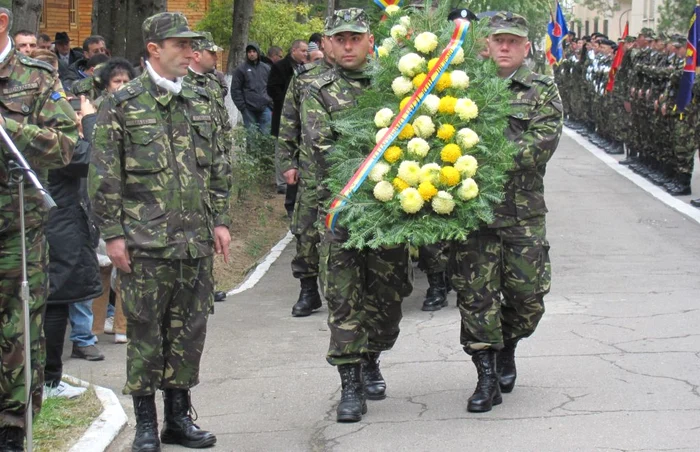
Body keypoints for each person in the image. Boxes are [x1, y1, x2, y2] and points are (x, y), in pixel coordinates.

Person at [90, 12, 231, 451]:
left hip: (195, 241)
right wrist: (112, 234)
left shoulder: (202, 99)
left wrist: (221, 219)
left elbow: (220, 165)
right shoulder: (124, 101)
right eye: (181, 45)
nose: (192, 52)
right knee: (146, 332)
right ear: (154, 49)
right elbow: (104, 174)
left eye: (193, 45)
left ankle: (178, 418)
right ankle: (146, 423)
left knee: (189, 332)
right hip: (145, 242)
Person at [301, 8, 413, 423]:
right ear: (328, 43)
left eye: (355, 38)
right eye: (339, 38)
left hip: (389, 212)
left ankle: (372, 357)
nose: (347, 45)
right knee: (344, 300)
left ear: (370, 41)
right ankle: (350, 382)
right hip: (339, 211)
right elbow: (322, 145)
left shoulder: (396, 83)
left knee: (389, 300)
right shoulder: (317, 87)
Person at [449, 12, 562, 414]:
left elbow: (539, 144)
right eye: (499, 40)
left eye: (513, 41)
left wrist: (475, 160)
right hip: (472, 216)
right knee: (475, 297)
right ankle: (486, 375)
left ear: (526, 48)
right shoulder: (463, 86)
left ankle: (508, 345)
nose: (505, 47)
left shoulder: (542, 89)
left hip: (522, 213)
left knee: (527, 297)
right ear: (486, 44)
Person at [0, 4, 78, 449]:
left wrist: (10, 129)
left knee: (17, 331)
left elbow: (67, 146)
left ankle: (12, 429)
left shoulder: (37, 77)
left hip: (16, 231)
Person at [278, 30, 335, 318]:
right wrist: (287, 162)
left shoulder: (369, 77)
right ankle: (308, 290)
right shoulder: (304, 78)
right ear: (324, 42)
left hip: (355, 174)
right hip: (312, 171)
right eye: (335, 38)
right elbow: (288, 121)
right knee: (306, 231)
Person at [184, 32, 233, 303]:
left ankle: (208, 283)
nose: (216, 57)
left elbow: (221, 124)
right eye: (212, 53)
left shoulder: (213, 83)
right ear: (197, 54)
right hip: (196, 167)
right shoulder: (184, 85)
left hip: (217, 161)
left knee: (215, 222)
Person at [268, 39, 308, 198]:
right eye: (303, 51)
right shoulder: (280, 67)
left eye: (306, 51)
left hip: (301, 115)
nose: (306, 54)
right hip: (283, 114)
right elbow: (271, 89)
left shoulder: (304, 68)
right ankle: (281, 182)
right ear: (294, 51)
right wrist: (287, 102)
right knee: (282, 147)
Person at [230, 42, 272, 135]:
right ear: (247, 54)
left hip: (265, 108)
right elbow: (235, 89)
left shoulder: (266, 68)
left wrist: (270, 104)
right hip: (248, 110)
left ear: (258, 52)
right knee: (251, 138)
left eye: (254, 51)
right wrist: (243, 107)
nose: (252, 54)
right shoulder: (241, 69)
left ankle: (265, 150)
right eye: (249, 52)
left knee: (267, 136)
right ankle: (252, 150)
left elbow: (272, 87)